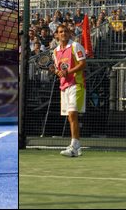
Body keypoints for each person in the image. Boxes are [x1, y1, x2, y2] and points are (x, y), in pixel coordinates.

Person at [51, 25, 87, 157]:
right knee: (71, 116)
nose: (63, 34)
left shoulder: (75, 46)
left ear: (69, 33)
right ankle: (77, 146)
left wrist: (68, 72)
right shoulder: (55, 51)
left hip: (76, 84)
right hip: (64, 86)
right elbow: (58, 68)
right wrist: (57, 72)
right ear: (57, 35)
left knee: (72, 114)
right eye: (61, 32)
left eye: (66, 31)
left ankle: (74, 146)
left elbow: (83, 64)